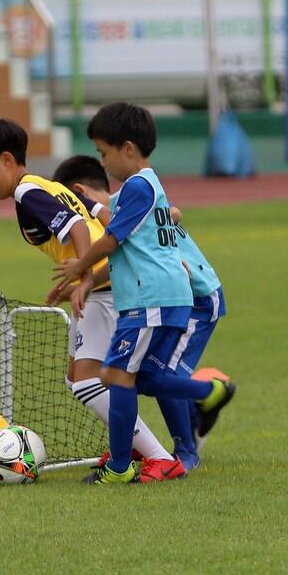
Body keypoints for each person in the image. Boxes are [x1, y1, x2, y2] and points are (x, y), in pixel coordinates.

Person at [0, 123, 184, 482]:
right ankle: (135, 447)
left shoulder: (27, 192)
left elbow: (78, 228)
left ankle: (158, 457)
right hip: (102, 286)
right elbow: (100, 217)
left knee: (87, 381)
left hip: (107, 290)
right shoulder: (49, 186)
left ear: (5, 160)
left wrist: (86, 276)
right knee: (78, 377)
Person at [54, 103, 236, 485]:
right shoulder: (145, 189)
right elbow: (113, 217)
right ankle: (203, 396)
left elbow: (112, 238)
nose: (103, 162)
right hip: (162, 298)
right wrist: (78, 202)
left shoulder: (138, 185)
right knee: (145, 378)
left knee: (116, 375)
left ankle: (124, 465)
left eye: (104, 153)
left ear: (129, 149)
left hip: (152, 300)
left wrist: (80, 266)